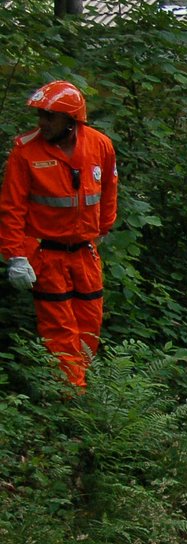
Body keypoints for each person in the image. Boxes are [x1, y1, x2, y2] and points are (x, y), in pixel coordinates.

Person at [1, 81, 118, 388]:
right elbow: (11, 208)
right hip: (47, 255)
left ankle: (82, 388)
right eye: (41, 115)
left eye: (50, 116)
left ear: (71, 120)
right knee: (60, 332)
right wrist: (15, 256)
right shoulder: (25, 152)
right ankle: (72, 402)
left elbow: (109, 191)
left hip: (85, 254)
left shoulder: (100, 145)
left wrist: (103, 228)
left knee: (89, 326)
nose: (43, 122)